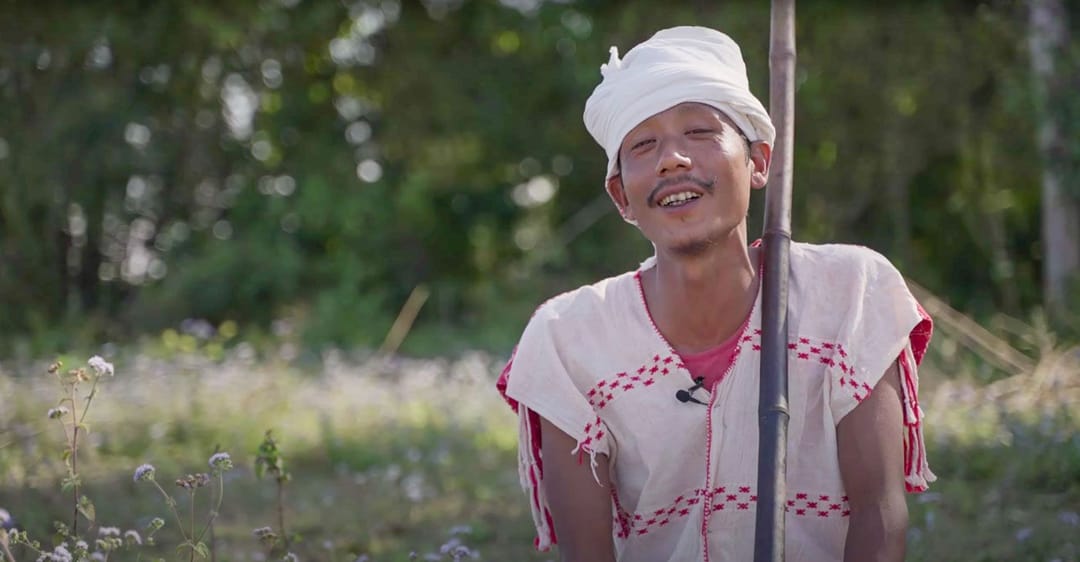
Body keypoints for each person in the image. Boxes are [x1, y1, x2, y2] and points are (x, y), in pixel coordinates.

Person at [496, 26, 934, 562]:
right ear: (621, 196)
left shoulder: (849, 294)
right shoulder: (567, 338)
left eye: (700, 132)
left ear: (758, 162)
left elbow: (879, 514)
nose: (672, 159)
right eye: (643, 145)